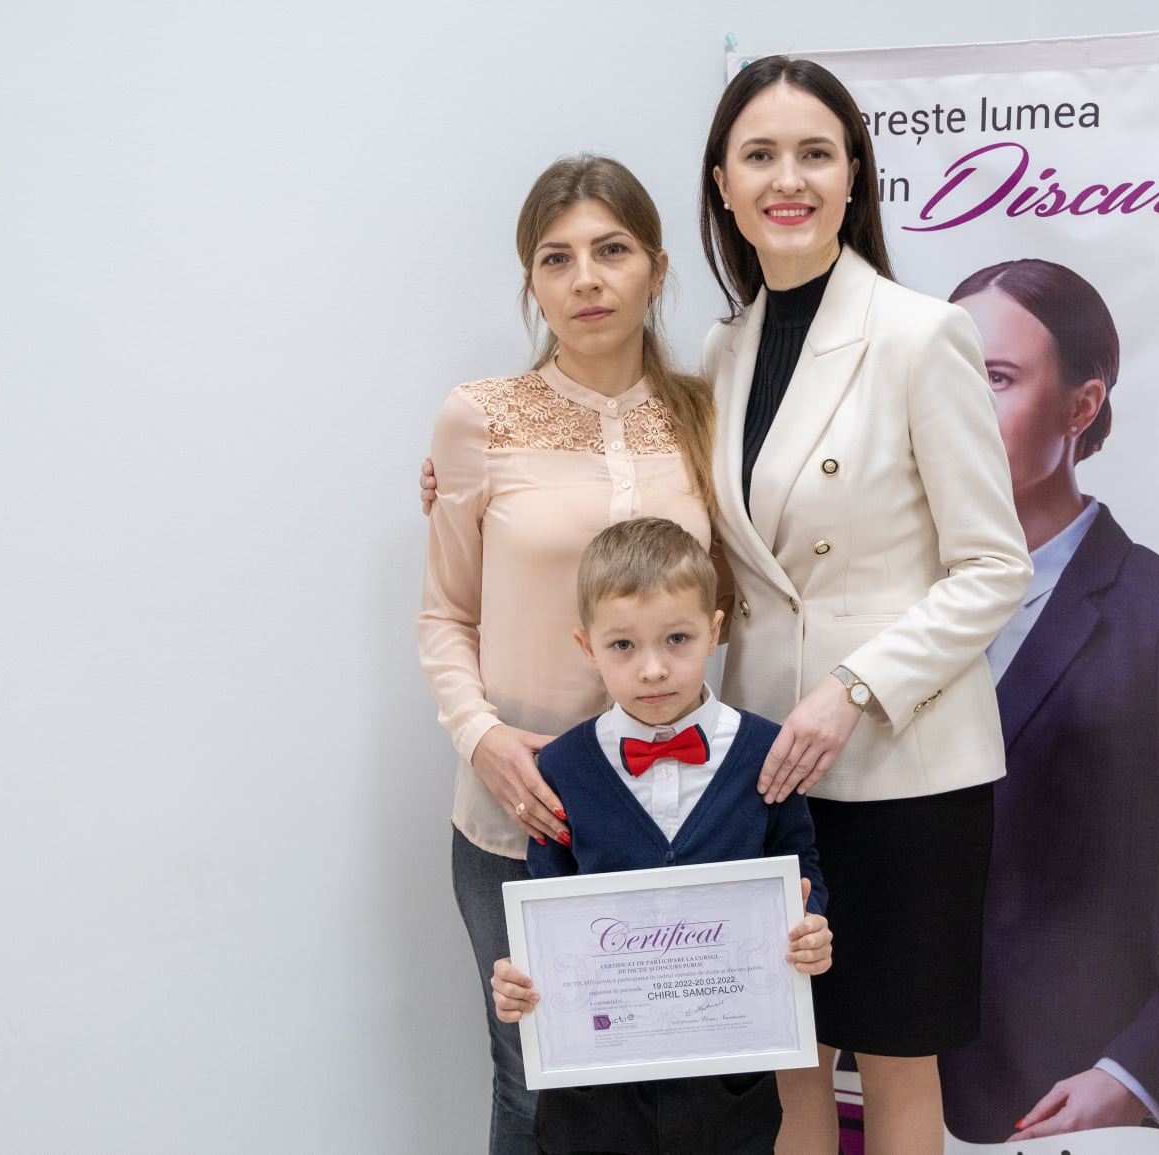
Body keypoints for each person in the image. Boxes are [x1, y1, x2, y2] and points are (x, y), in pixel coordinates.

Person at [697, 57, 1033, 1155]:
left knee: (893, 1056)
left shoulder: (921, 333)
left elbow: (994, 566)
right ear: (723, 185)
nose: (787, 178)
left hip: (901, 761)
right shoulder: (721, 351)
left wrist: (852, 687)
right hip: (763, 762)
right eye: (760, 155)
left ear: (854, 177)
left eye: (814, 153)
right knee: (787, 1053)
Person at [417, 155, 717, 1155]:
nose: (585, 279)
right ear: (532, 282)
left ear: (657, 270)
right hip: (521, 811)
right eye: (556, 258)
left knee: (670, 1088)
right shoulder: (479, 418)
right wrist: (483, 739)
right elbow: (445, 615)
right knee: (536, 1082)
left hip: (677, 807)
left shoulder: (707, 415)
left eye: (611, 250)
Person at [938, 259, 1159, 1143]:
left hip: (1061, 1110)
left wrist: (1132, 1078)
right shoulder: (886, 604)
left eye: (996, 378)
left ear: (1082, 407)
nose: (958, 409)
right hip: (881, 1092)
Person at [488, 517, 834, 1155]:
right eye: (622, 645)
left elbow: (800, 866)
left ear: (715, 631)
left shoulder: (767, 753)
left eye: (677, 638)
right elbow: (547, 907)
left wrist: (810, 926)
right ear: (587, 646)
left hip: (728, 1088)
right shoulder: (560, 768)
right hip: (596, 1095)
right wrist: (521, 976)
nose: (653, 669)